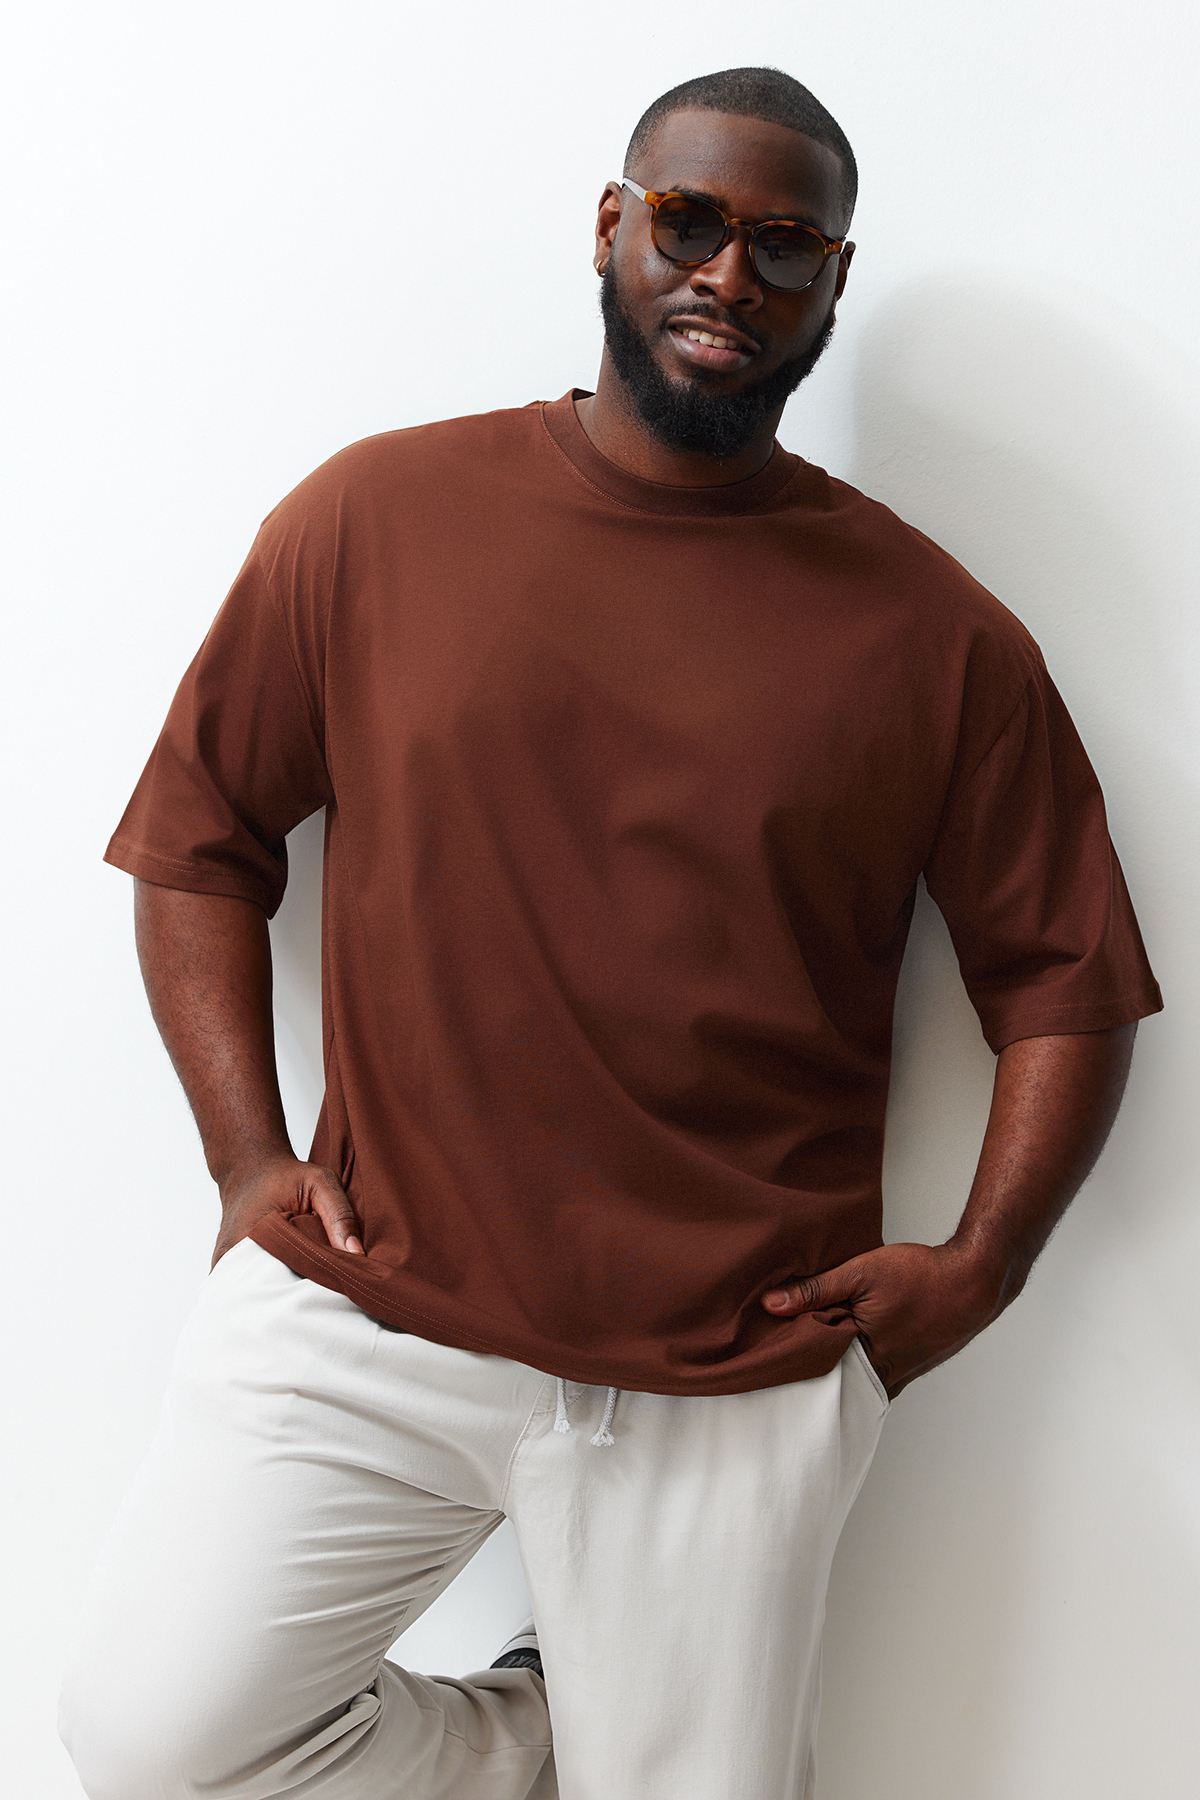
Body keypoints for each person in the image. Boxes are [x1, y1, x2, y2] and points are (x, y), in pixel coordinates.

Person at [59, 65, 1161, 1800]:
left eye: (784, 246)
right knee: (152, 1741)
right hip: (375, 1301)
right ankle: (551, 1731)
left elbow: (1068, 983)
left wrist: (984, 1266)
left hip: (733, 1360)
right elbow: (196, 841)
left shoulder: (940, 638)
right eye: (692, 221)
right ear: (611, 227)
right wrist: (242, 1159)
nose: (729, 274)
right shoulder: (374, 520)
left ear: (832, 283)